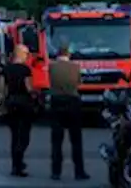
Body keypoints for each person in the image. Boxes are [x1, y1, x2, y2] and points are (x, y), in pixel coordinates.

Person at [49, 44, 90, 180]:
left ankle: (56, 172)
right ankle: (79, 171)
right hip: (72, 101)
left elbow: (50, 83)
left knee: (57, 140)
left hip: (56, 101)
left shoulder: (52, 67)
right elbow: (78, 83)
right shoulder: (75, 67)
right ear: (69, 54)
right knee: (76, 140)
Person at [3, 44, 35, 177]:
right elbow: (28, 87)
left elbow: (3, 87)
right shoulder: (25, 69)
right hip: (24, 103)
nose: (28, 56)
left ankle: (15, 165)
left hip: (11, 102)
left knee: (14, 135)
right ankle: (19, 162)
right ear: (20, 54)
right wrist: (35, 94)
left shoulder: (7, 69)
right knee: (24, 136)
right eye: (26, 54)